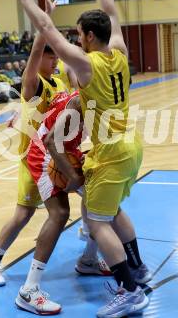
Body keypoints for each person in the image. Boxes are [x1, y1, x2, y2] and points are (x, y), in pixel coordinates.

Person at [10, 0, 151, 317]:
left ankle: (129, 289)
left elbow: (46, 30)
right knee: (111, 210)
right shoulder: (120, 49)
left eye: (80, 35)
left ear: (89, 36)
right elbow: (112, 11)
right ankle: (135, 267)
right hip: (131, 144)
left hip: (111, 149)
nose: (77, 39)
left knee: (96, 221)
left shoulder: (86, 66)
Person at [0, 0, 68, 288]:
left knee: (86, 201)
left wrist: (22, 116)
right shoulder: (34, 82)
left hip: (56, 157)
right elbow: (35, 54)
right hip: (32, 159)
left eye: (57, 56)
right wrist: (45, 16)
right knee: (24, 214)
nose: (55, 60)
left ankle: (94, 248)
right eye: (51, 56)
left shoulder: (58, 81)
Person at [16, 90, 110, 314]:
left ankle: (88, 259)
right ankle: (28, 290)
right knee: (59, 214)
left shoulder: (94, 97)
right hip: (45, 153)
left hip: (66, 149)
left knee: (97, 195)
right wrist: (74, 175)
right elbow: (50, 141)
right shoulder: (79, 101)